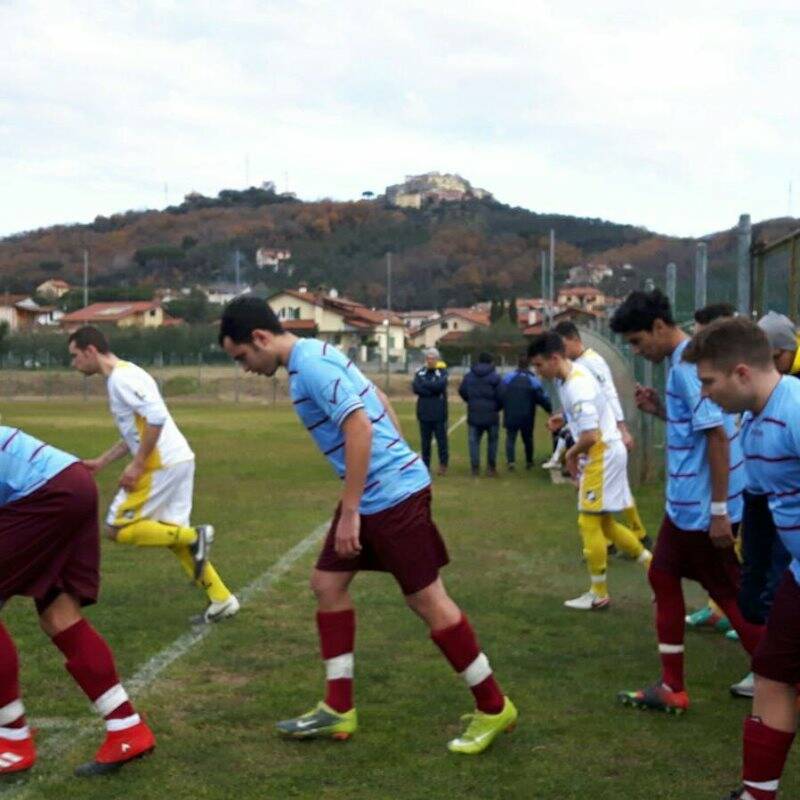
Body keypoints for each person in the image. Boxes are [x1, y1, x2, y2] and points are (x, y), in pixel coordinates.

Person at [218, 297, 517, 754]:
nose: (244, 368)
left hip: (389, 499)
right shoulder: (315, 355)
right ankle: (339, 708)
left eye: (242, 357)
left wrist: (354, 507)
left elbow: (358, 426)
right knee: (326, 585)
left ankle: (495, 707)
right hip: (379, 492)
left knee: (427, 600)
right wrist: (391, 462)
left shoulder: (311, 366)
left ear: (259, 338)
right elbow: (374, 397)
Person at [609, 289, 761, 714]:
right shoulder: (685, 363)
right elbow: (698, 426)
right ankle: (672, 685)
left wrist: (718, 512)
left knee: (728, 592)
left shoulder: (688, 367)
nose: (639, 351)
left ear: (660, 327)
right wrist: (661, 411)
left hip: (699, 507)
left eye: (639, 342)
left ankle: (782, 678)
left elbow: (716, 435)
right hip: (688, 505)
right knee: (665, 575)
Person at [682, 318, 800, 800]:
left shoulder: (794, 410)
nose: (705, 395)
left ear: (742, 372)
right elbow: (764, 506)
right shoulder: (753, 423)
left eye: (709, 382)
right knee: (772, 674)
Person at [0, 426, 155, 777]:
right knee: (59, 614)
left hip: (49, 493)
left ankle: (11, 736)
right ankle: (126, 727)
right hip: (69, 484)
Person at [67, 326, 239, 624]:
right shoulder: (126, 375)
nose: (73, 363)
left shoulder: (122, 379)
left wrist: (137, 465)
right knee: (172, 538)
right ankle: (221, 599)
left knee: (116, 527)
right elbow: (137, 431)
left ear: (91, 350)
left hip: (163, 463)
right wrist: (103, 461)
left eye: (75, 356)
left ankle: (195, 536)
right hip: (178, 459)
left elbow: (157, 419)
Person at [528, 332, 652, 610]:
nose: (537, 372)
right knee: (605, 523)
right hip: (607, 450)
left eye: (539, 365)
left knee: (588, 521)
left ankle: (599, 593)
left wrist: (570, 456)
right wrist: (566, 417)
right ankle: (652, 568)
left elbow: (590, 436)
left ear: (555, 358)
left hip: (602, 453)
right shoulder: (571, 376)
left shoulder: (577, 387)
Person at [554, 321, 650, 549]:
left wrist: (621, 428)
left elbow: (609, 394)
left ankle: (620, 540)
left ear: (574, 340)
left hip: (602, 438)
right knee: (612, 489)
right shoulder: (575, 367)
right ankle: (635, 536)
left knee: (599, 492)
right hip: (594, 436)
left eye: (562, 345)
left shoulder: (592, 362)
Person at [498, 354, 552, 471]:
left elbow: (501, 393)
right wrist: (550, 409)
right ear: (529, 365)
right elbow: (541, 398)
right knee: (528, 439)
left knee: (510, 438)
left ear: (518, 364)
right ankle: (529, 461)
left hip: (511, 414)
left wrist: (499, 406)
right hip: (527, 415)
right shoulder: (533, 380)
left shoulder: (508, 378)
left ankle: (511, 462)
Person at [458, 353, 502, 476]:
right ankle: (491, 468)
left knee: (474, 441)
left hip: (474, 413)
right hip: (492, 413)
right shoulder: (495, 377)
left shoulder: (469, 376)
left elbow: (462, 390)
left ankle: (475, 468)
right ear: (491, 362)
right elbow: (502, 394)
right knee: (492, 441)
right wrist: (497, 407)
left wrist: (470, 401)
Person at [412, 347, 449, 476]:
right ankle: (426, 466)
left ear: (437, 359)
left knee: (441, 441)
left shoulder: (442, 372)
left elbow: (440, 386)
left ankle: (443, 464)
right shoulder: (420, 373)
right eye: (428, 358)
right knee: (425, 442)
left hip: (439, 413)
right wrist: (431, 389)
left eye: (433, 358)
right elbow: (416, 387)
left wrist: (426, 386)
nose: (430, 361)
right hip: (424, 412)